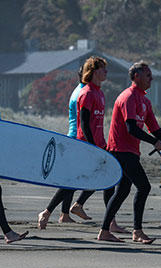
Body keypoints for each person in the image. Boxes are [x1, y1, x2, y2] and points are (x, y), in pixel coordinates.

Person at [38, 57, 126, 233]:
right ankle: (47, 212)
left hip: (97, 144)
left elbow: (97, 123)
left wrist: (101, 144)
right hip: (84, 145)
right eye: (103, 69)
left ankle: (108, 222)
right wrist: (93, 147)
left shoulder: (100, 92)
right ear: (93, 71)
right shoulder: (86, 93)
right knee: (74, 180)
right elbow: (84, 124)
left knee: (105, 180)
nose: (106, 72)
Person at [98, 61, 161, 244]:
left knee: (123, 190)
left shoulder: (144, 100)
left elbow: (155, 129)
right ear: (136, 77)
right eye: (148, 75)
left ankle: (104, 231)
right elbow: (131, 128)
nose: (152, 78)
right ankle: (137, 231)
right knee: (144, 186)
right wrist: (155, 143)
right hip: (119, 150)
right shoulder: (128, 97)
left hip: (132, 151)